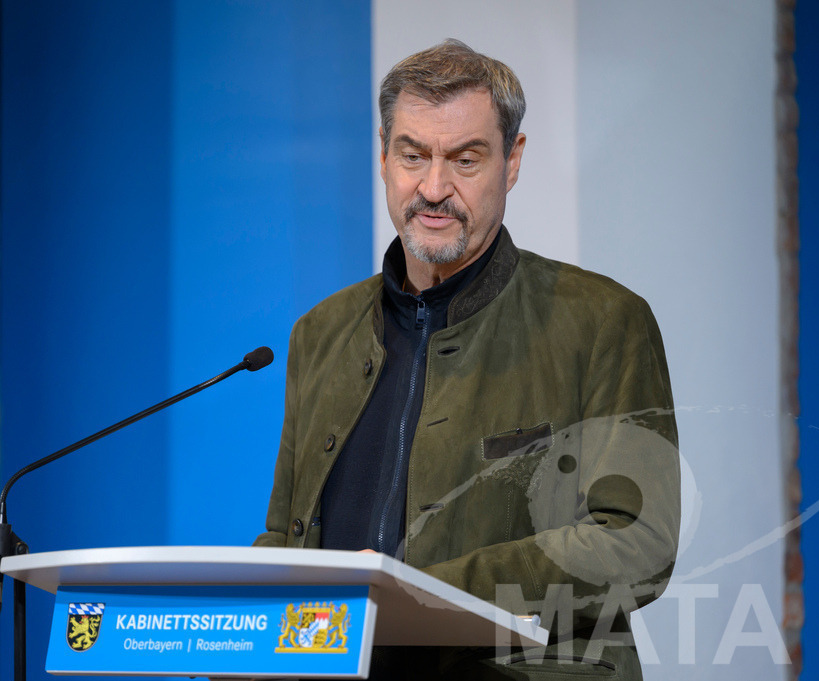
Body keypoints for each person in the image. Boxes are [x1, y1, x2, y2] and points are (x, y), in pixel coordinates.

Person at [255, 39, 680, 680]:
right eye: (413, 155)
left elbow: (636, 541)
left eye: (465, 159)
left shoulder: (603, 322)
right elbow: (289, 542)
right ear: (382, 156)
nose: (433, 187)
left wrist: (423, 596)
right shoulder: (320, 333)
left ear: (512, 161)